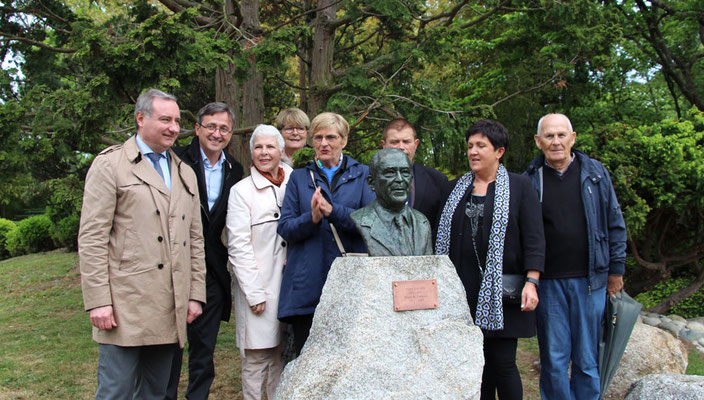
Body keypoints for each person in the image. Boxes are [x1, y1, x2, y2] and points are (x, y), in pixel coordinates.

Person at [78, 88, 206, 399]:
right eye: (165, 119)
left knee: (157, 392)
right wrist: (98, 300)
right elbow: (92, 238)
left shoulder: (184, 171)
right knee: (116, 391)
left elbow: (195, 239)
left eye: (176, 121)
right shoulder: (110, 165)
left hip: (169, 305)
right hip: (124, 306)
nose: (173, 128)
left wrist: (195, 294)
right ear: (140, 118)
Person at [435, 119, 544, 400]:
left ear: (499, 151)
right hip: (462, 292)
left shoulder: (520, 187)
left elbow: (534, 238)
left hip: (501, 293)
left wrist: (532, 281)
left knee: (503, 364)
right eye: (470, 145)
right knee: (475, 366)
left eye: (481, 145)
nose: (473, 151)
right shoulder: (454, 190)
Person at [525, 113, 626, 400]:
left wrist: (616, 271)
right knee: (554, 361)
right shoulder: (530, 179)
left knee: (586, 360)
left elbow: (615, 222)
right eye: (549, 136)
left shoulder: (595, 174)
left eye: (561, 135)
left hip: (590, 282)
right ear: (538, 141)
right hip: (548, 283)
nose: (555, 141)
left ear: (573, 138)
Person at [277, 112, 375, 356]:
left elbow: (372, 223)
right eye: (318, 137)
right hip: (307, 285)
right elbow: (285, 228)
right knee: (307, 361)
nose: (323, 144)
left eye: (331, 137)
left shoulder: (363, 174)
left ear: (344, 140)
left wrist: (334, 212)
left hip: (351, 286)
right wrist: (312, 219)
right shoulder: (299, 178)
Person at [166, 102, 244, 399]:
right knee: (170, 349)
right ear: (197, 129)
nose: (216, 133)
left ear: (231, 133)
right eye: (210, 126)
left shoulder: (234, 169)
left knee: (203, 351)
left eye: (223, 128)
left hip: (211, 269)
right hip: (173, 265)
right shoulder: (176, 160)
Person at [226, 125, 292, 400]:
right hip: (260, 287)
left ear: (282, 150)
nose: (264, 153)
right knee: (257, 358)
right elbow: (238, 246)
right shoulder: (241, 192)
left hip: (291, 286)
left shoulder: (296, 180)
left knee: (283, 356)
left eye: (270, 147)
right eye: (258, 147)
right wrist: (253, 293)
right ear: (250, 152)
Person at [350, 148, 433, 256]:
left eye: (405, 172)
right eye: (390, 173)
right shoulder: (361, 219)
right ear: (371, 183)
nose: (400, 179)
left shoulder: (422, 222)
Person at [381, 118, 449, 236]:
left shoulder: (438, 181)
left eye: (406, 141)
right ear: (384, 145)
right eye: (394, 142)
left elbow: (442, 226)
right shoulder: (367, 179)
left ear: (416, 144)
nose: (401, 147)